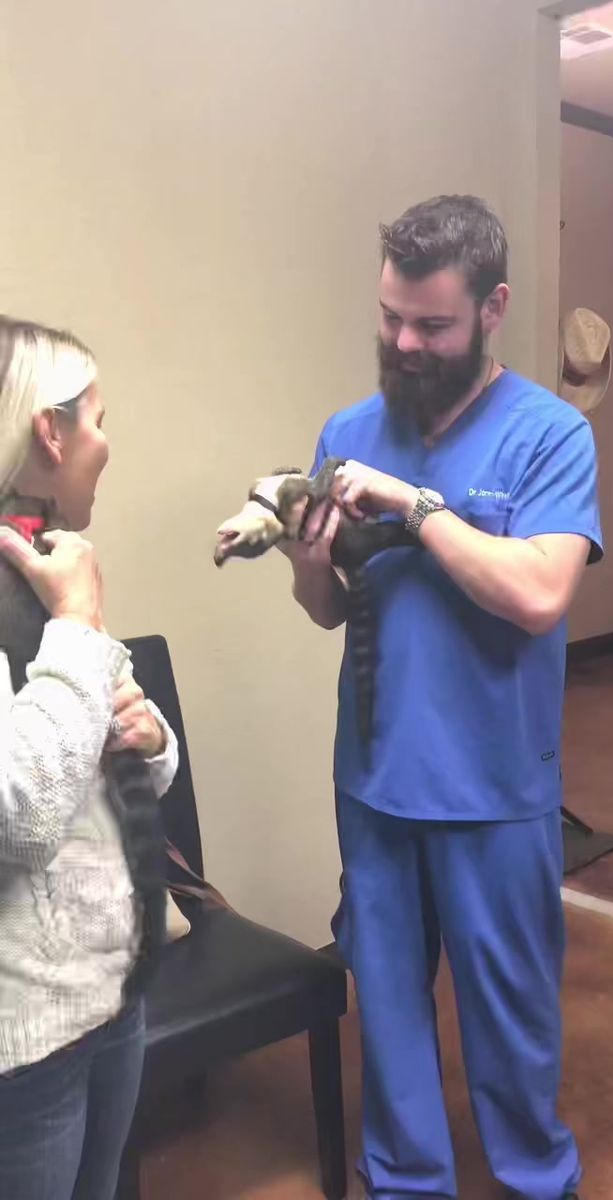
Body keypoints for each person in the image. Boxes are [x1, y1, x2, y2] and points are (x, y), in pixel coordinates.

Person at [284, 196, 601, 1200]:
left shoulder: (549, 437)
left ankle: (535, 1178)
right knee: (387, 1012)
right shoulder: (348, 429)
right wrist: (306, 562)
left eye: (432, 324)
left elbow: (541, 593)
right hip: (375, 782)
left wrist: (417, 510)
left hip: (496, 792)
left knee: (511, 1022)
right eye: (390, 317)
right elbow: (330, 609)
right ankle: (407, 1182)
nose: (404, 342)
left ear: (493, 306)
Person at [0, 316, 178, 1200]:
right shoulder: (57, 589)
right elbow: (21, 814)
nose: (107, 443)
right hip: (25, 1034)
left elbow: (110, 755)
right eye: (98, 419)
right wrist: (76, 622)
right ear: (51, 430)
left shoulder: (45, 560)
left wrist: (149, 739)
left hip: (111, 985)